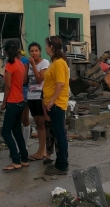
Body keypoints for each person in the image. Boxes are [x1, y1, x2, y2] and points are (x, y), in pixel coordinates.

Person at [42, 36, 69, 176]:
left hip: (57, 104)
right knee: (60, 134)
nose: (45, 47)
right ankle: (62, 162)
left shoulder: (59, 63)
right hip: (54, 103)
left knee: (59, 134)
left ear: (51, 46)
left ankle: (61, 165)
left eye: (46, 45)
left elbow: (60, 84)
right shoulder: (55, 62)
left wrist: (52, 101)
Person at [1, 40, 29, 171]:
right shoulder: (21, 64)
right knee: (17, 130)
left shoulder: (9, 65)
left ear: (6, 51)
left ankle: (15, 159)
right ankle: (24, 158)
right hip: (21, 100)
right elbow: (23, 81)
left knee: (5, 132)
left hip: (12, 101)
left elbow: (8, 85)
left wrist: (3, 102)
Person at [26, 42, 50, 161]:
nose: (34, 53)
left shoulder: (44, 63)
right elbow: (26, 80)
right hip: (31, 97)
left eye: (36, 51)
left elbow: (40, 79)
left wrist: (33, 65)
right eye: (31, 51)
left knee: (42, 125)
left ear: (40, 52)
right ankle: (42, 150)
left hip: (41, 96)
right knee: (37, 124)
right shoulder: (29, 63)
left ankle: (42, 151)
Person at [17, 47, 31, 146]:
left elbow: (25, 79)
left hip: (24, 91)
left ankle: (24, 145)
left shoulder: (25, 61)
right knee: (15, 119)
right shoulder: (9, 61)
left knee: (24, 118)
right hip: (14, 92)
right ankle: (17, 144)